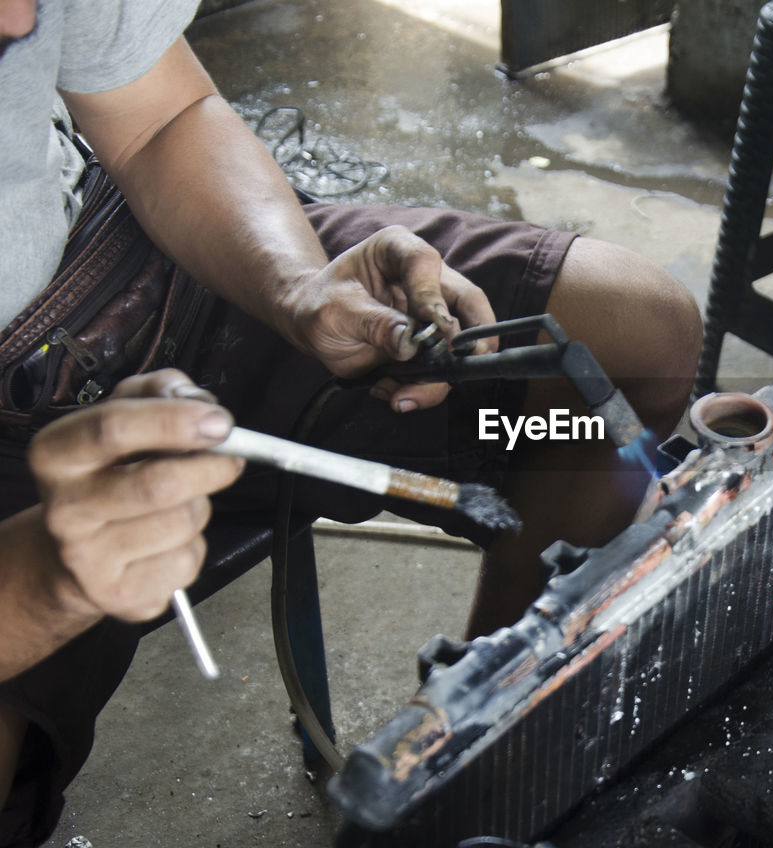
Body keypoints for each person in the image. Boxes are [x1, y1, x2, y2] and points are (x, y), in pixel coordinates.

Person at [0, 0, 702, 844]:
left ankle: (471, 738)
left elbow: (160, 118)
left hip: (115, 268)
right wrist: (43, 582)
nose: (24, 16)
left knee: (629, 342)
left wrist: (299, 285)